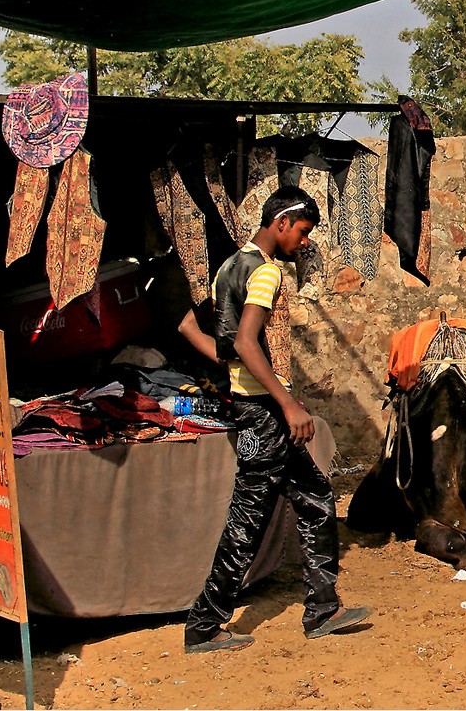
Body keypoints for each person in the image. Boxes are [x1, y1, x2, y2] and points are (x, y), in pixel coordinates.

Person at [184, 185, 368, 653]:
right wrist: (288, 403)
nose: (304, 242)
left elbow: (224, 350)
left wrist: (189, 331)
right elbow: (247, 343)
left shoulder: (229, 266)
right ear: (280, 222)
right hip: (264, 412)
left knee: (313, 494)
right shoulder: (265, 272)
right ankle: (205, 624)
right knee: (249, 518)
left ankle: (323, 608)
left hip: (246, 404)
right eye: (302, 232)